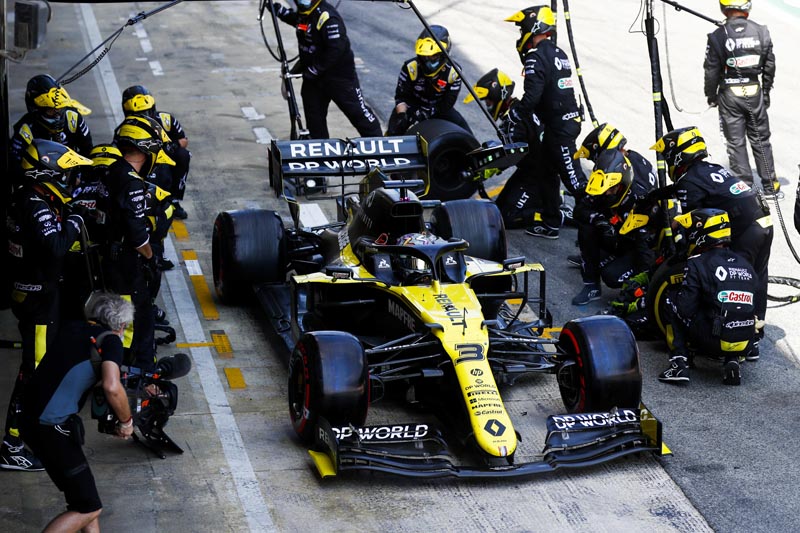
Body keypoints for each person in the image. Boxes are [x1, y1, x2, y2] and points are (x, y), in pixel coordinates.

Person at [2, 139, 93, 471]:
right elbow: (55, 246)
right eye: (64, 173)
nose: (68, 179)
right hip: (37, 301)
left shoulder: (29, 197)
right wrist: (76, 219)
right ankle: (13, 445)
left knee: (42, 365)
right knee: (34, 372)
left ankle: (38, 427)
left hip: (36, 294)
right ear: (46, 174)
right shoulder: (34, 205)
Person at [651, 126, 772, 360]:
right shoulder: (710, 168)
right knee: (756, 279)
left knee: (735, 282)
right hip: (763, 223)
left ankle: (735, 341)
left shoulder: (688, 180)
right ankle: (753, 340)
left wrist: (677, 252)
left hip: (745, 230)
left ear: (677, 156)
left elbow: (692, 224)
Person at [19, 292, 135, 532]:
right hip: (50, 427)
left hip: (29, 417)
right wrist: (126, 421)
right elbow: (112, 387)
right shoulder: (110, 341)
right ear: (122, 325)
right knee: (88, 508)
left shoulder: (72, 328)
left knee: (85, 500)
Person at [505, 5, 587, 240]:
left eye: (522, 29)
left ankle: (598, 227)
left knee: (574, 181)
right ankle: (551, 222)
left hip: (560, 128)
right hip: (560, 124)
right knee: (546, 172)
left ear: (533, 27)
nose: (521, 35)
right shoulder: (559, 53)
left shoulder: (536, 57)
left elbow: (532, 97)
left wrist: (515, 113)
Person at [102, 115, 175, 372]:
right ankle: (133, 371)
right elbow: (137, 233)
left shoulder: (112, 170)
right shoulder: (132, 182)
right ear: (145, 149)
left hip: (109, 256)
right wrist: (149, 255)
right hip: (125, 262)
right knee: (137, 317)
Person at [659, 208, 757, 386]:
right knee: (732, 308)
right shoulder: (746, 264)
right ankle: (732, 360)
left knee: (672, 299)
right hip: (746, 341)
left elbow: (685, 309)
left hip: (713, 340)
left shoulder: (697, 262)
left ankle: (679, 364)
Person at [570, 123, 659, 304]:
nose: (607, 193)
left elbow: (644, 247)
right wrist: (599, 220)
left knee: (611, 276)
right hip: (621, 232)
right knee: (588, 224)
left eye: (611, 190)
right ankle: (591, 283)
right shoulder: (613, 174)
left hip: (642, 243)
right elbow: (579, 211)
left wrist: (642, 289)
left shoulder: (639, 197)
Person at [273, 0, 382, 139]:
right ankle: (320, 148)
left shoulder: (328, 17)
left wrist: (314, 70)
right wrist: (279, 11)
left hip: (339, 78)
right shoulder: (305, 14)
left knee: (358, 114)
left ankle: (379, 144)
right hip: (314, 79)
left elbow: (336, 49)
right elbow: (299, 23)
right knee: (314, 120)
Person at [463, 68, 556, 229]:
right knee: (499, 209)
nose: (488, 106)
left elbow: (512, 153)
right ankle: (547, 198)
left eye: (488, 102)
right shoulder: (518, 109)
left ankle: (555, 212)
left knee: (508, 217)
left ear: (498, 96)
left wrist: (486, 168)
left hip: (539, 175)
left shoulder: (513, 119)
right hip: (529, 170)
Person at [704, 0, 778, 194]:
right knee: (761, 139)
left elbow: (711, 70)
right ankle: (771, 185)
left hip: (730, 94)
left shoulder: (717, 36)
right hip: (754, 91)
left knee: (735, 142)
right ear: (747, 7)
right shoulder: (761, 32)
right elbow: (770, 66)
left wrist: (711, 95)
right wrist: (766, 92)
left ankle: (744, 187)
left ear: (723, 8)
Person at [8, 74, 93, 189]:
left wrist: (82, 178)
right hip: (39, 185)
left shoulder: (73, 117)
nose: (57, 115)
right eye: (51, 111)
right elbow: (15, 167)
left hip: (72, 180)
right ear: (36, 110)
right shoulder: (25, 130)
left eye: (59, 109)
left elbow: (88, 150)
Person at [385, 25, 471, 136]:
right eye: (424, 57)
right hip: (412, 107)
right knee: (394, 130)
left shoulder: (454, 72)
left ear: (443, 54)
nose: (427, 62)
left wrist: (426, 113)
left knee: (466, 133)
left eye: (433, 57)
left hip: (439, 109)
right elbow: (401, 97)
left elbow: (447, 104)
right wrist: (402, 115)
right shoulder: (410, 67)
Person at [121, 85, 191, 219]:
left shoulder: (166, 120)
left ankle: (174, 199)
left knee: (183, 155)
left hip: (164, 159)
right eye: (138, 114)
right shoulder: (124, 129)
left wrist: (171, 147)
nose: (144, 117)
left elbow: (184, 140)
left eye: (146, 112)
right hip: (141, 164)